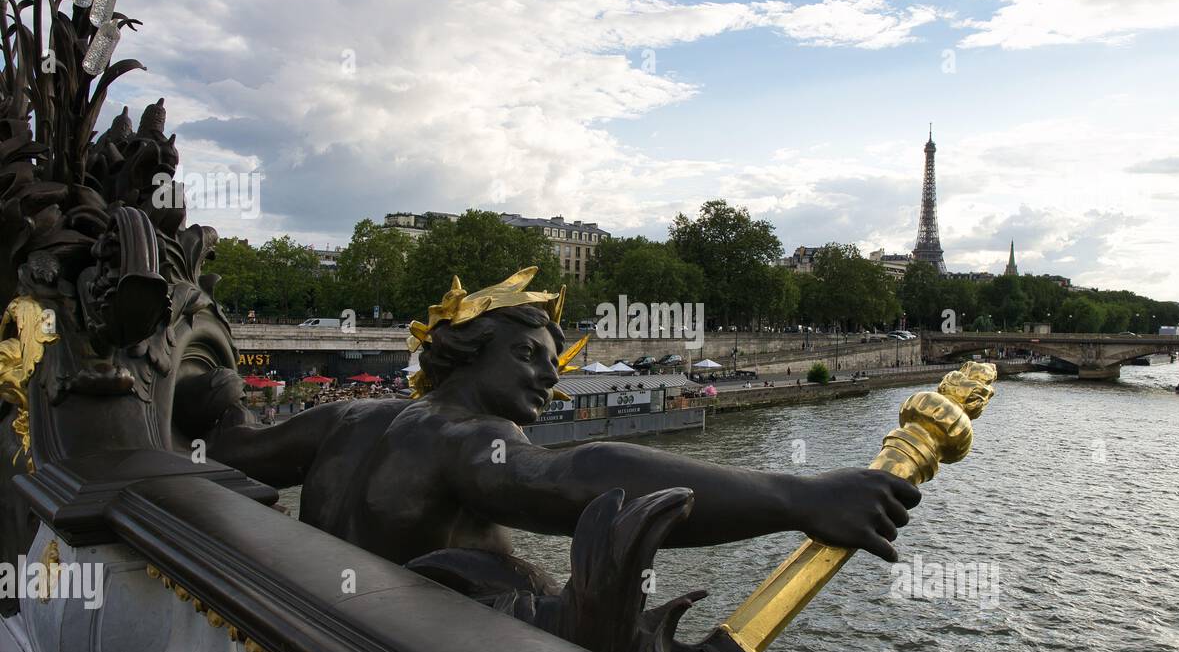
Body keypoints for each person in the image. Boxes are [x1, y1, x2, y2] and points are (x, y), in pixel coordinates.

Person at [206, 268, 919, 567]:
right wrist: (798, 497)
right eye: (529, 354)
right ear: (468, 350)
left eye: (556, 362)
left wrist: (207, 377)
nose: (551, 373)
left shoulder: (348, 418)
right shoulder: (468, 441)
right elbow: (582, 476)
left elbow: (234, 444)